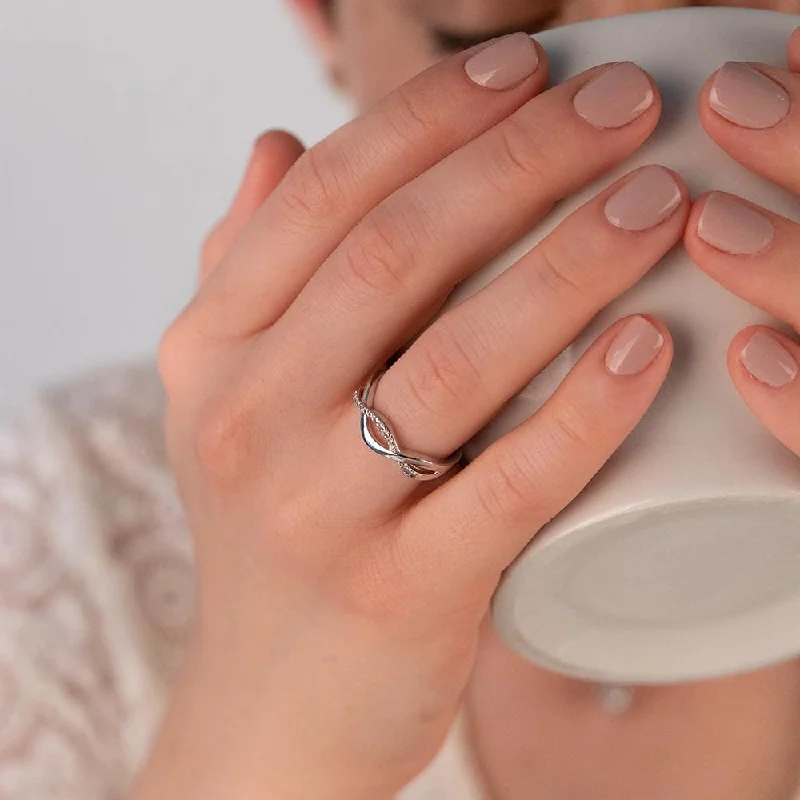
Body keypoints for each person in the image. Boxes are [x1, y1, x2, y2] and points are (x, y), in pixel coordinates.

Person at [3, 0, 800, 797]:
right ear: (325, 23)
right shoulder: (56, 540)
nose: (649, 128)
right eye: (484, 21)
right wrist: (269, 728)